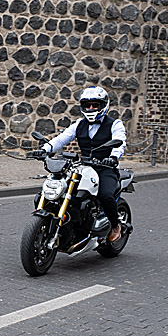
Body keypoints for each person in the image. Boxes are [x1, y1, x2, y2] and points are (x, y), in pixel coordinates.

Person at [35, 86, 127, 243]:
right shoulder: (79, 124)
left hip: (106, 168)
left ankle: (115, 225)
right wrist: (44, 149)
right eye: (87, 105)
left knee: (106, 195)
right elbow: (62, 138)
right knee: (55, 191)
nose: (91, 108)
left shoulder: (115, 124)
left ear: (103, 105)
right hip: (83, 167)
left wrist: (113, 157)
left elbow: (120, 142)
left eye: (95, 105)